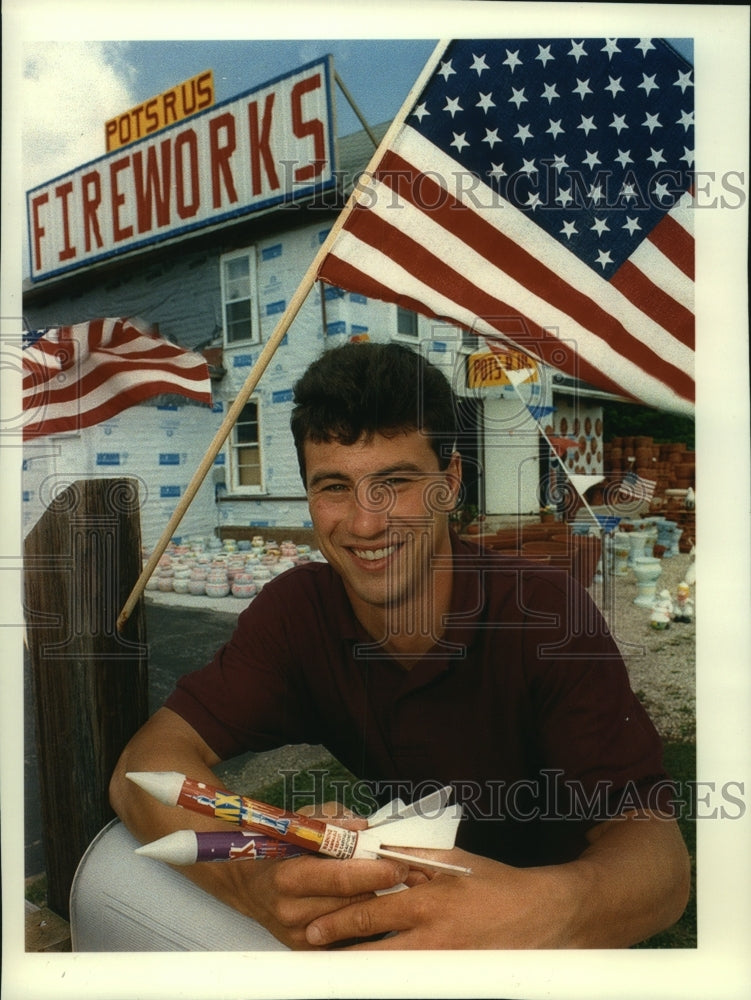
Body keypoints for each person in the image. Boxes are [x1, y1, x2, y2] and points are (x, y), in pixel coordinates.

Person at [110, 340, 690, 950]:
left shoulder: (544, 613)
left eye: (397, 481)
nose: (365, 522)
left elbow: (659, 860)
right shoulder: (297, 613)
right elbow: (142, 770)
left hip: (556, 944)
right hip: (400, 916)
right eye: (334, 486)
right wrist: (255, 882)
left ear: (451, 481)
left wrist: (545, 910)